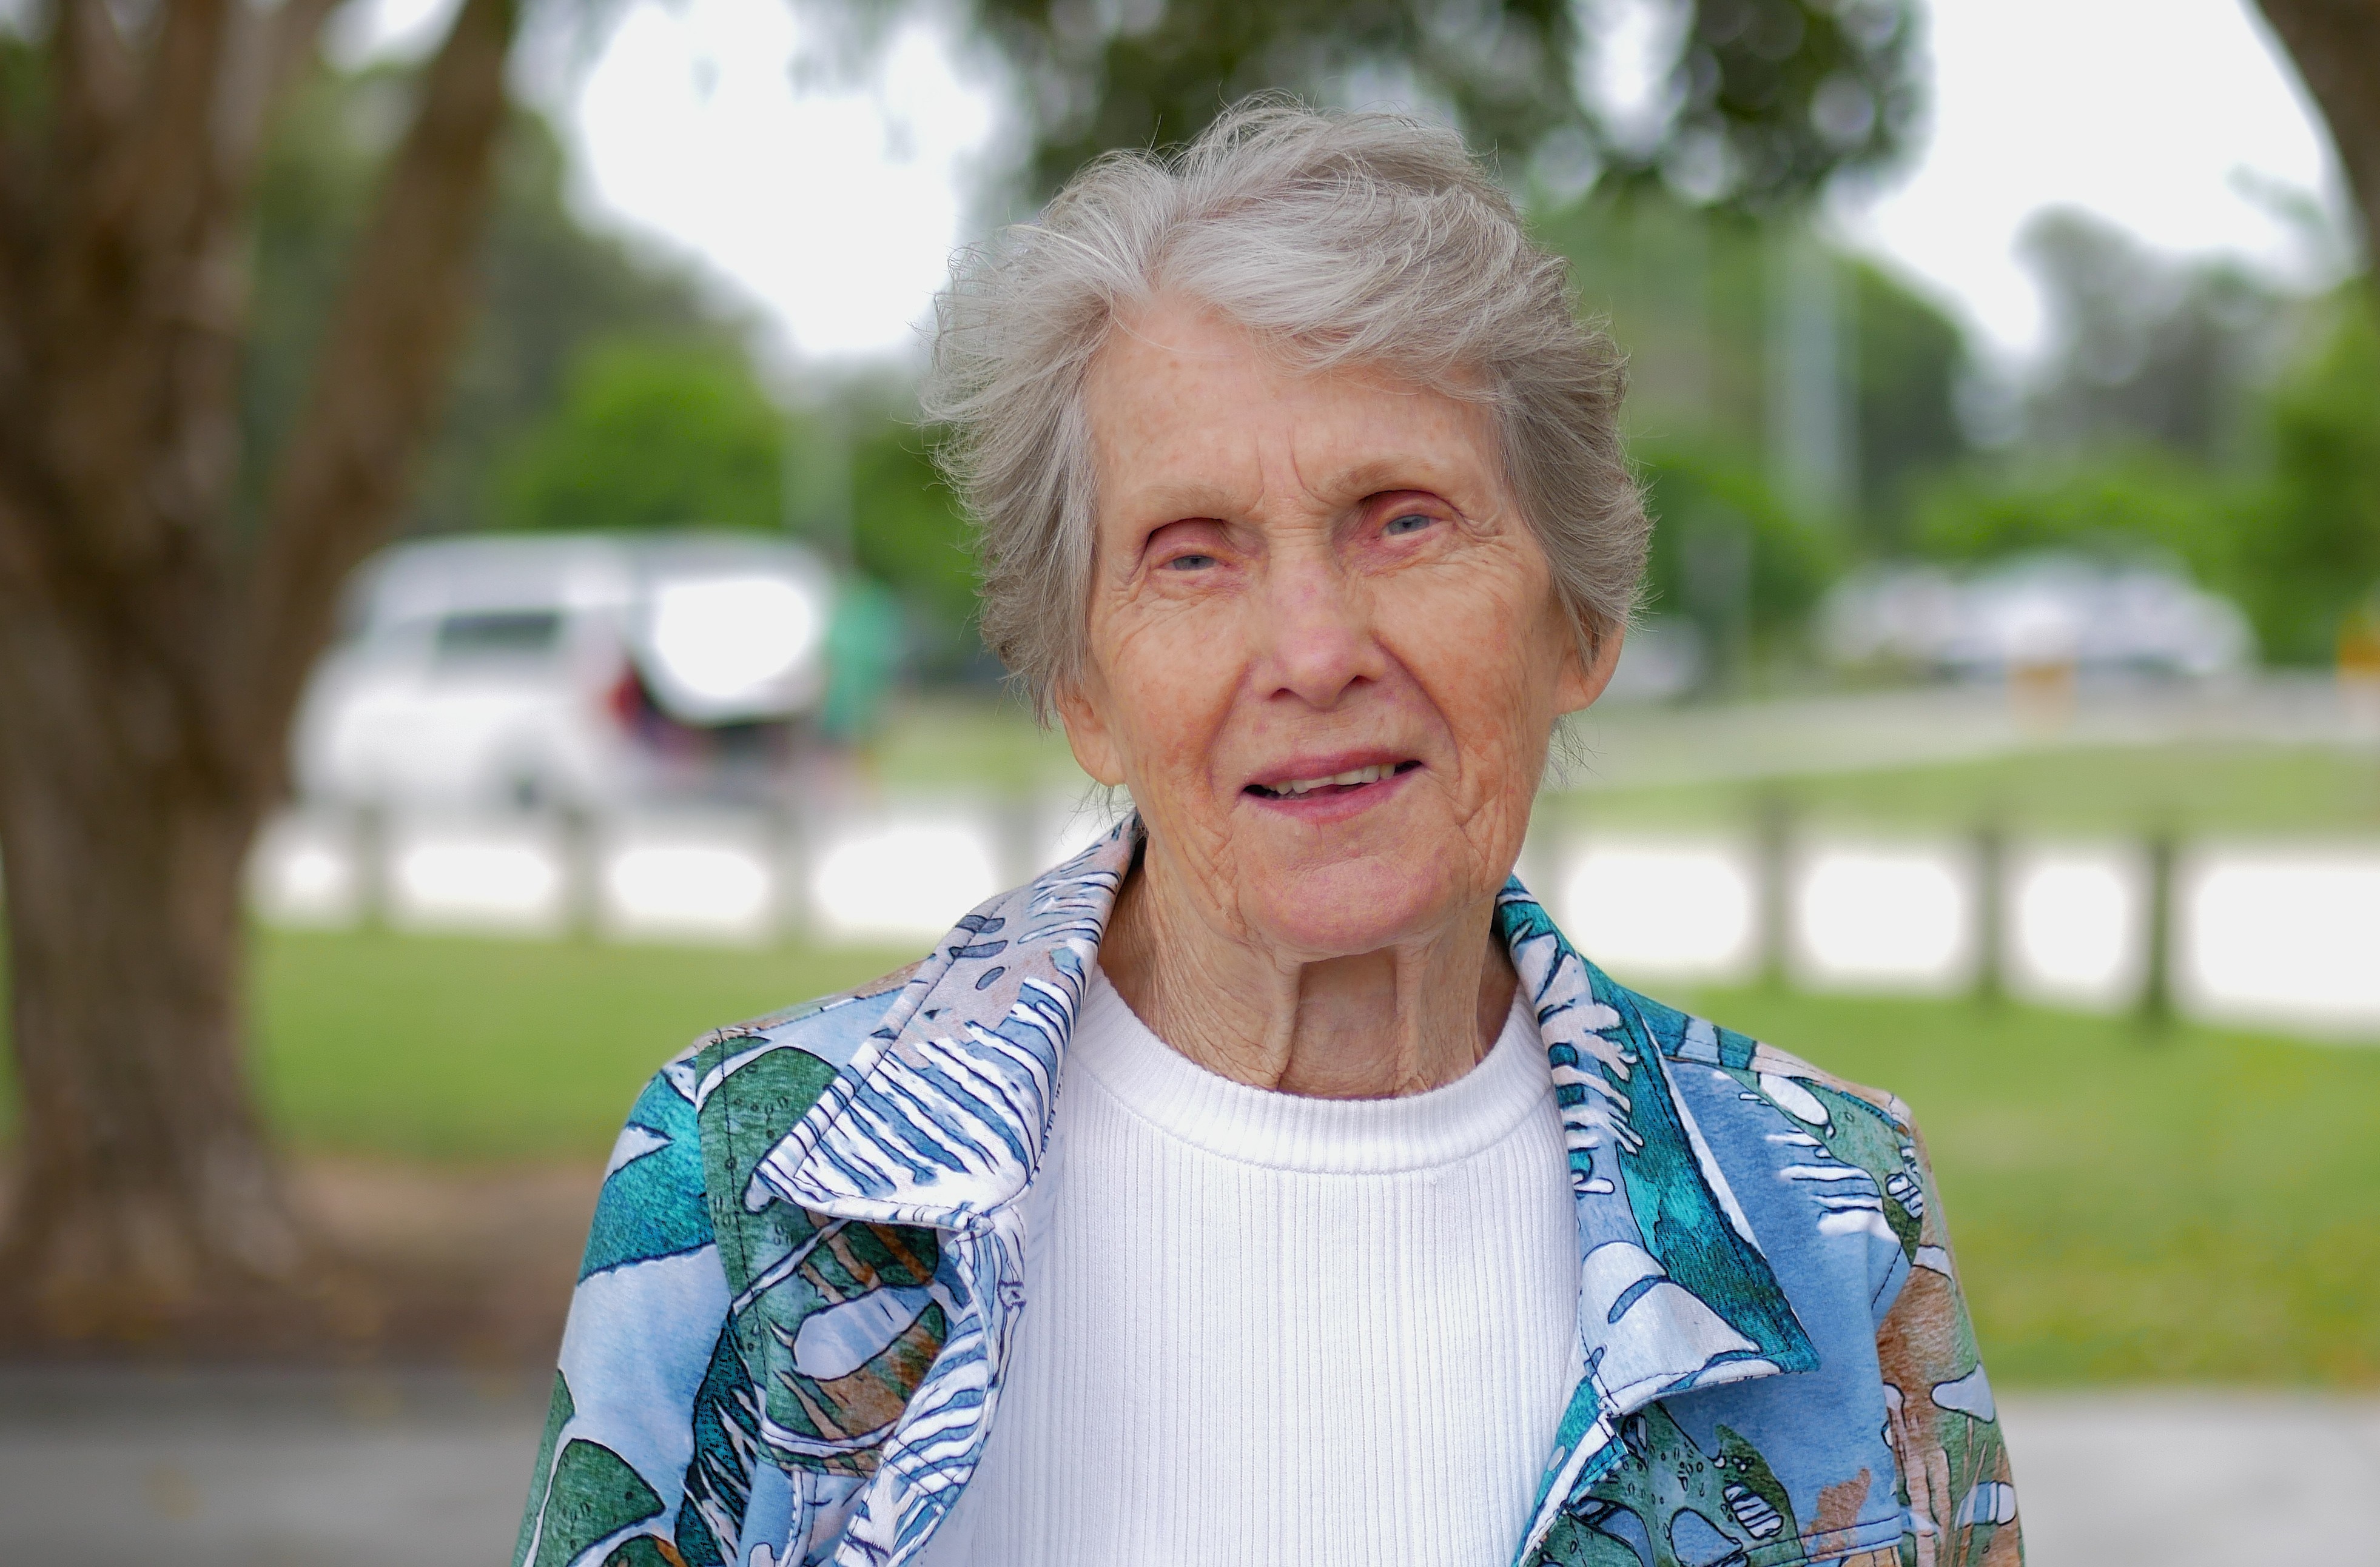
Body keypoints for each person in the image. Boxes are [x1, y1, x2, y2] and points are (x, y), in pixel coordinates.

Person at [514, 101, 2021, 1567]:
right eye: (1192, 555)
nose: (1312, 652)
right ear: (1084, 689)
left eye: (1404, 519)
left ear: (1579, 621)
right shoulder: (753, 1181)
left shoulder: (1830, 1206)